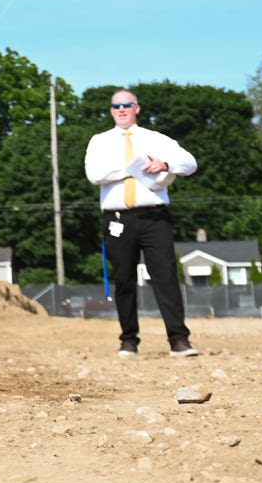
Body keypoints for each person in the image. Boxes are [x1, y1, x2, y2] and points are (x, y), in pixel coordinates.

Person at [83, 89, 199, 357]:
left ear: (137, 108)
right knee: (124, 279)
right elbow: (94, 174)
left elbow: (190, 163)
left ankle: (179, 339)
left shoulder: (155, 139)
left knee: (165, 276)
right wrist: (129, 168)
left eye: (127, 104)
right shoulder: (100, 141)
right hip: (118, 217)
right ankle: (128, 340)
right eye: (116, 106)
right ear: (111, 110)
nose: (121, 109)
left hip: (154, 217)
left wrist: (164, 164)